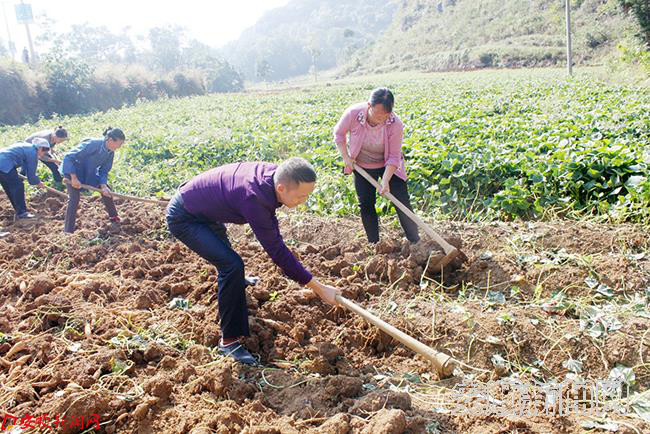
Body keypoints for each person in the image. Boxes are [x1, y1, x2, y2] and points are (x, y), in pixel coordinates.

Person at [166, 157, 341, 365]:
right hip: (186, 218)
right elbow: (277, 251)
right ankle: (229, 342)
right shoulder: (255, 198)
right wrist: (319, 288)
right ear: (281, 188)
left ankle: (236, 281)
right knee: (231, 266)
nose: (304, 201)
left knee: (230, 264)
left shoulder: (274, 177)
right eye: (301, 196)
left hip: (204, 210)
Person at [333, 87, 420, 244]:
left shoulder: (395, 124)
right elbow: (339, 134)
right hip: (362, 165)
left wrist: (386, 180)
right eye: (377, 114)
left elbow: (394, 156)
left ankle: (415, 242)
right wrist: (346, 157)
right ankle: (375, 244)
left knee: (401, 201)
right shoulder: (353, 114)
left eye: (385, 116)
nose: (380, 119)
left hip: (388, 164)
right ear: (369, 106)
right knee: (366, 204)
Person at [61, 127, 125, 233]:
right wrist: (73, 178)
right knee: (74, 198)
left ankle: (114, 217)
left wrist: (103, 186)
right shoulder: (93, 144)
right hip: (73, 171)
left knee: (107, 191)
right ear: (110, 140)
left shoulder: (110, 152)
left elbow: (104, 171)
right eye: (119, 143)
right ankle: (68, 231)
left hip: (89, 173)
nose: (120, 146)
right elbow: (69, 156)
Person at [0, 138, 50, 220]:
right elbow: (31, 174)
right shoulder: (33, 153)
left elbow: (24, 169)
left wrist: (34, 180)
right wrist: (37, 182)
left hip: (3, 163)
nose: (43, 155)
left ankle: (19, 211)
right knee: (18, 186)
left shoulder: (27, 147)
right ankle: (22, 213)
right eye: (44, 152)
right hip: (5, 163)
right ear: (40, 148)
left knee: (9, 187)